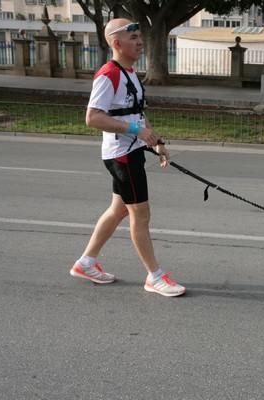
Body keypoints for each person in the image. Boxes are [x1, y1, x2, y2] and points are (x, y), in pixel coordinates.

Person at [69, 18, 186, 297]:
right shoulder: (108, 74)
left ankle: (86, 263)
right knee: (141, 214)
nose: (139, 41)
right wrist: (136, 131)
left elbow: (136, 113)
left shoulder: (130, 73)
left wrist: (156, 140)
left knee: (120, 209)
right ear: (116, 43)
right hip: (121, 155)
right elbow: (93, 117)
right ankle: (155, 277)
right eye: (133, 37)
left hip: (131, 150)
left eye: (140, 37)